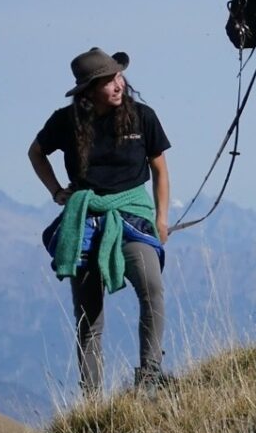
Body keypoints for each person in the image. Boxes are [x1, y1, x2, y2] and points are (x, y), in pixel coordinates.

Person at [27, 46, 172, 397]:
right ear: (89, 91)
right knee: (88, 317)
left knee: (151, 290)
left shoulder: (143, 116)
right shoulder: (66, 121)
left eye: (118, 76)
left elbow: (160, 170)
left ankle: (150, 378)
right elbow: (36, 152)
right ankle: (92, 398)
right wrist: (56, 191)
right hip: (86, 220)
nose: (117, 85)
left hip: (134, 217)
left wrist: (162, 219)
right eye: (107, 81)